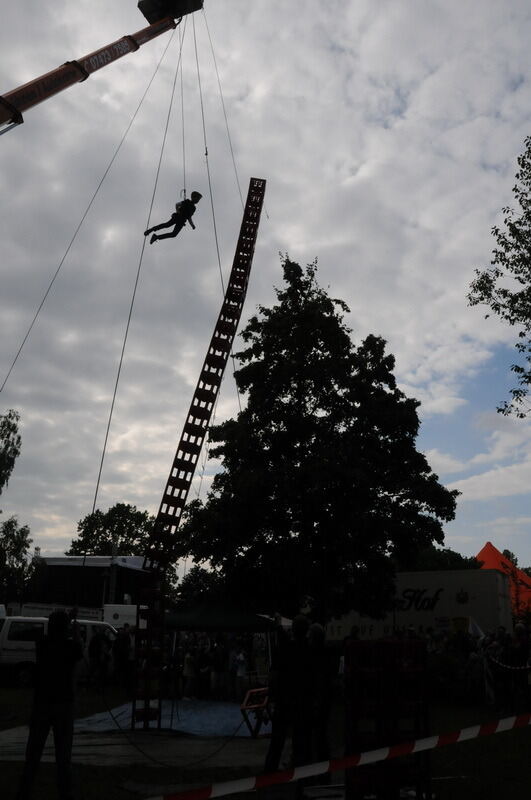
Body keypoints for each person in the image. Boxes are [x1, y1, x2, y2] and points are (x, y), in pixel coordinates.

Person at [16, 610, 83, 800]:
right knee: (63, 755)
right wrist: (76, 630)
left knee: (33, 754)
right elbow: (79, 650)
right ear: (66, 628)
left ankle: (24, 792)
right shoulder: (71, 647)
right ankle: (65, 793)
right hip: (63, 706)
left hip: (42, 704)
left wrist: (68, 619)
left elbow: (58, 634)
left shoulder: (42, 644)